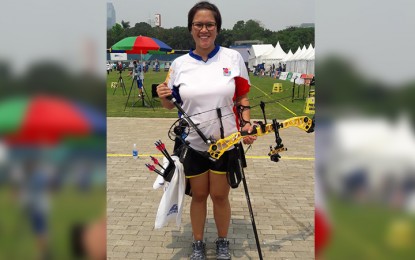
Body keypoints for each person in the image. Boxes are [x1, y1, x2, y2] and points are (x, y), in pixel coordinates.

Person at [156, 2, 256, 259]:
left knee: (220, 196)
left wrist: (246, 124)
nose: (204, 29)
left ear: (217, 28)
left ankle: (223, 241)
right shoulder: (178, 64)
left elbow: (242, 96)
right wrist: (162, 95)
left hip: (227, 142)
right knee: (199, 196)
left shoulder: (233, 58)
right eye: (198, 24)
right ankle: (198, 243)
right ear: (191, 29)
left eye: (209, 24)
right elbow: (169, 105)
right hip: (194, 144)